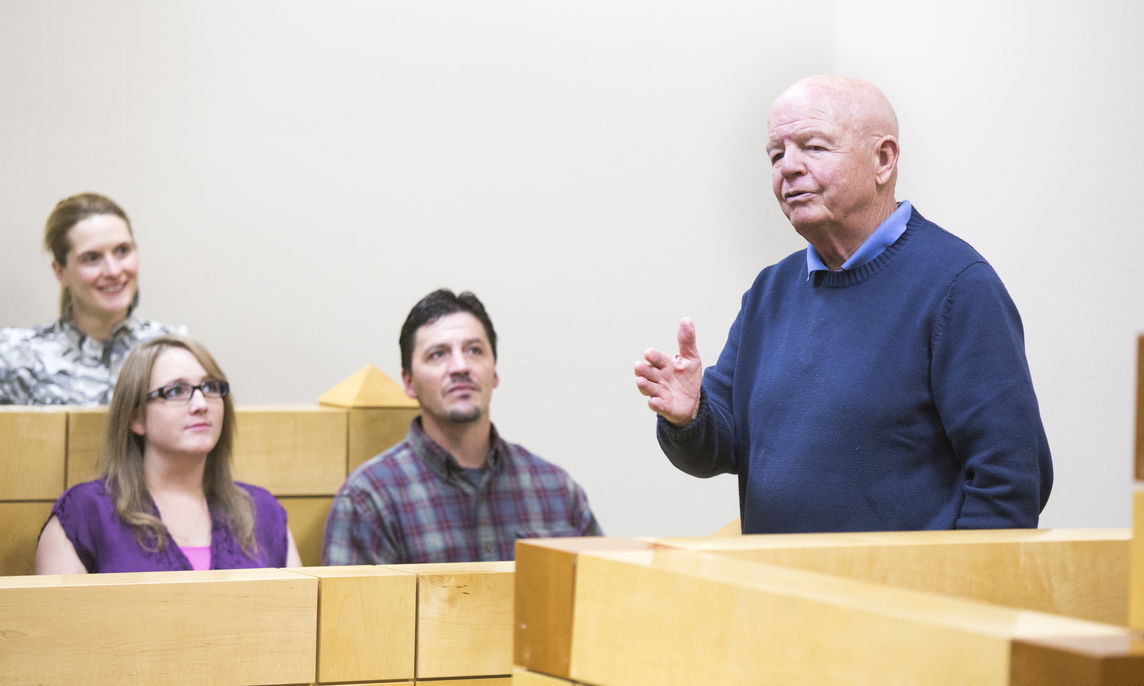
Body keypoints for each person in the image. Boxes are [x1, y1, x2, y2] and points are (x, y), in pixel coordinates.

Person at [634, 75, 1052, 533]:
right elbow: (721, 447)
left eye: (813, 147)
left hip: (903, 601)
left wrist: (956, 595)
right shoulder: (770, 292)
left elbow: (1010, 480)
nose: (787, 168)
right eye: (776, 154)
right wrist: (690, 415)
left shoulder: (957, 285)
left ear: (883, 159)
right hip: (783, 596)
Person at [323, 289, 601, 565]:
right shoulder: (369, 500)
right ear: (408, 383)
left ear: (494, 373)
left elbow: (600, 597)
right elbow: (352, 609)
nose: (460, 366)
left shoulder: (556, 489)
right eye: (437, 354)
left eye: (474, 350)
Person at [34, 335, 301, 573]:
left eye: (209, 388)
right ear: (136, 415)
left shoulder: (263, 512)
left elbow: (300, 620)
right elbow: (55, 625)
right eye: (176, 391)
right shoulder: (86, 512)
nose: (200, 404)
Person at [0, 193, 183, 405]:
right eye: (92, 258)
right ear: (60, 272)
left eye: (122, 251)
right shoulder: (14, 358)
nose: (113, 270)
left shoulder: (173, 353)